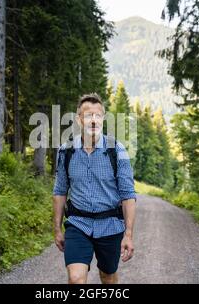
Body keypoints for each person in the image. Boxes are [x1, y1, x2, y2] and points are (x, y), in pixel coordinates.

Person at [52, 93, 137, 284]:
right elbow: (60, 191)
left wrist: (129, 235)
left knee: (108, 276)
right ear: (79, 119)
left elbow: (128, 195)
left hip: (110, 226)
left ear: (103, 119)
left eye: (98, 115)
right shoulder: (66, 151)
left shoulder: (117, 150)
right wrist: (57, 229)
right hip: (78, 224)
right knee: (75, 278)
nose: (93, 120)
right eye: (88, 115)